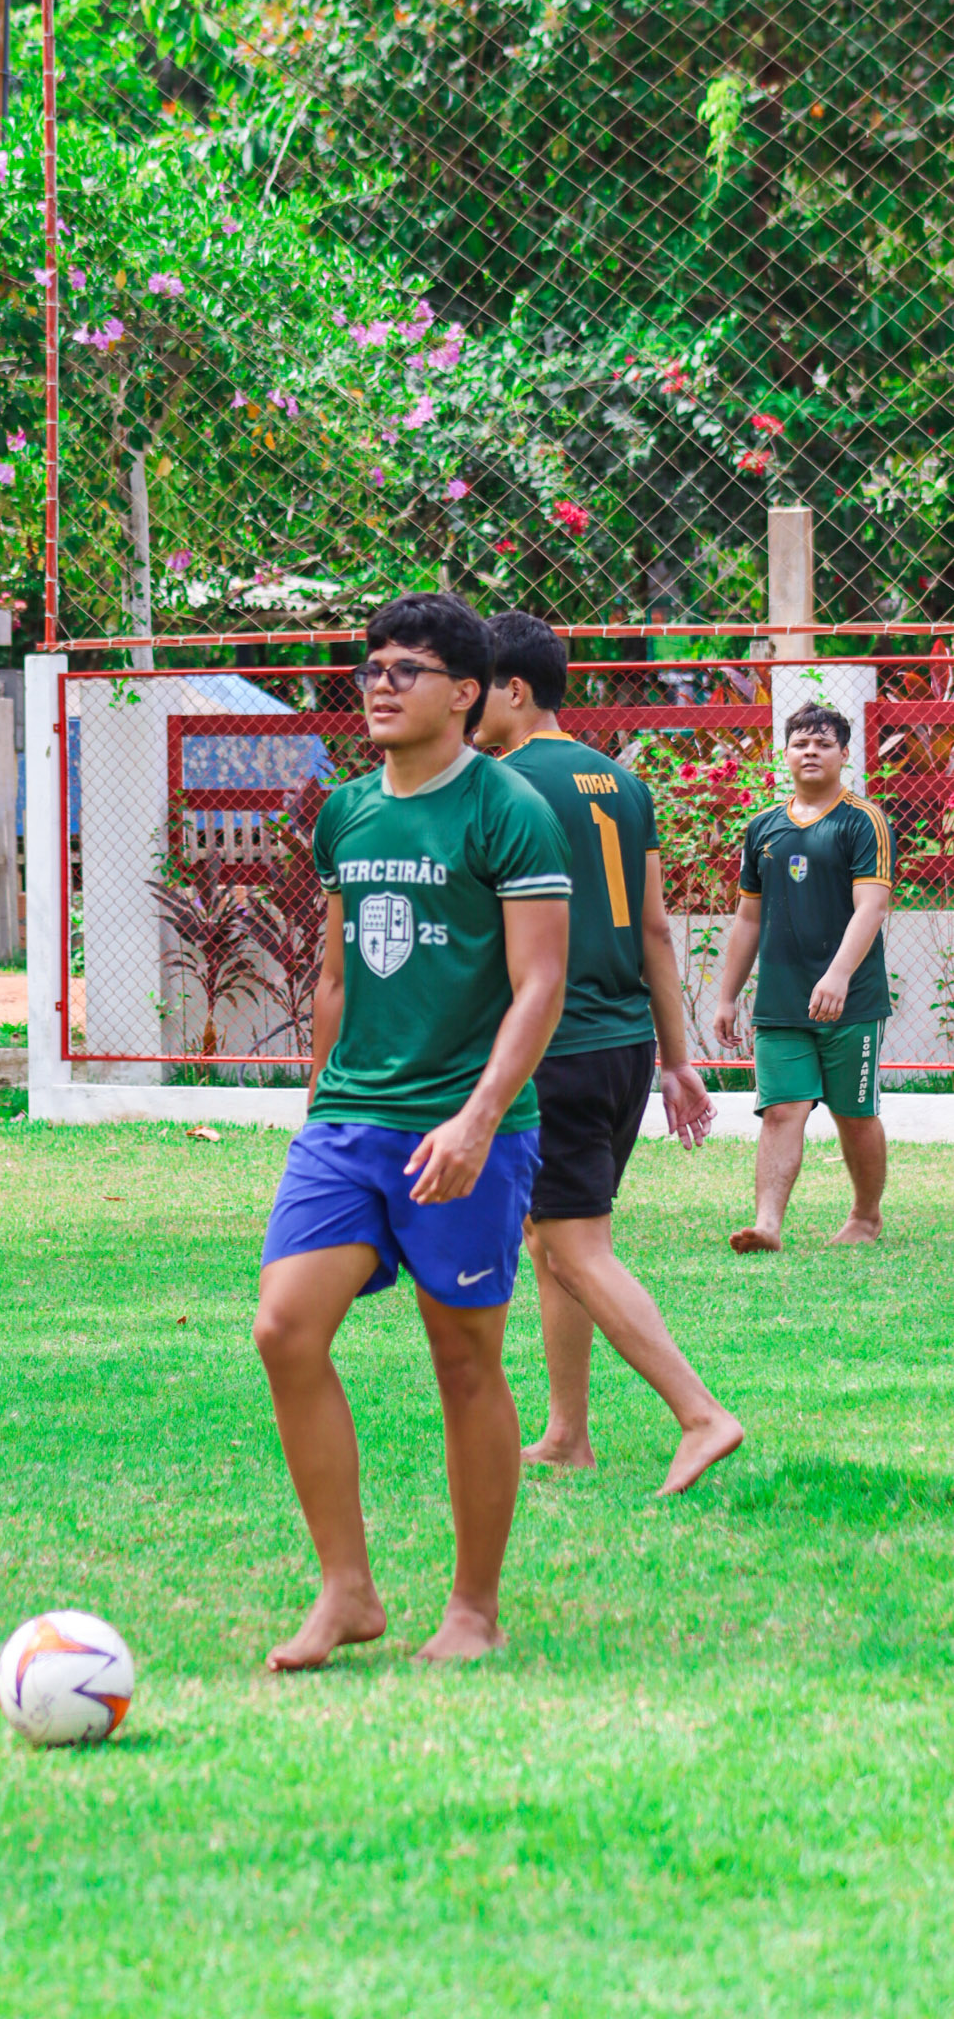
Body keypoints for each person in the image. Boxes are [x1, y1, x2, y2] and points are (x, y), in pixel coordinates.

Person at [254, 591, 572, 1670]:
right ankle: (346, 1591)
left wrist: (478, 1120)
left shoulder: (507, 809)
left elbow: (540, 984)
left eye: (407, 669)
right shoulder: (347, 813)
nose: (380, 685)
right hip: (351, 1118)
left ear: (465, 692)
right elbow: (337, 976)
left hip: (470, 1126)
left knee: (463, 1361)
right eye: (371, 668)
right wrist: (317, 1109)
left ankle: (473, 1609)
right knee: (285, 1328)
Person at [476, 610, 744, 1495]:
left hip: (556, 1046)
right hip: (622, 1046)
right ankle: (566, 1435)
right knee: (552, 1239)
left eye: (475, 689)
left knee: (573, 1244)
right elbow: (656, 932)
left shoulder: (498, 785)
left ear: (514, 691)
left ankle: (699, 1415)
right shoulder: (623, 784)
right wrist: (675, 1059)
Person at [714, 701, 894, 1252]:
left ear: (845, 754)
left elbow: (872, 907)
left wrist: (838, 976)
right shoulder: (763, 828)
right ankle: (767, 1225)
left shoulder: (862, 821)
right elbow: (748, 918)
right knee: (781, 1110)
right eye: (800, 743)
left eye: (822, 743)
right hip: (781, 1002)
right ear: (785, 753)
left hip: (852, 1001)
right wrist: (726, 997)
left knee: (853, 1115)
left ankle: (865, 1217)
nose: (810, 752)